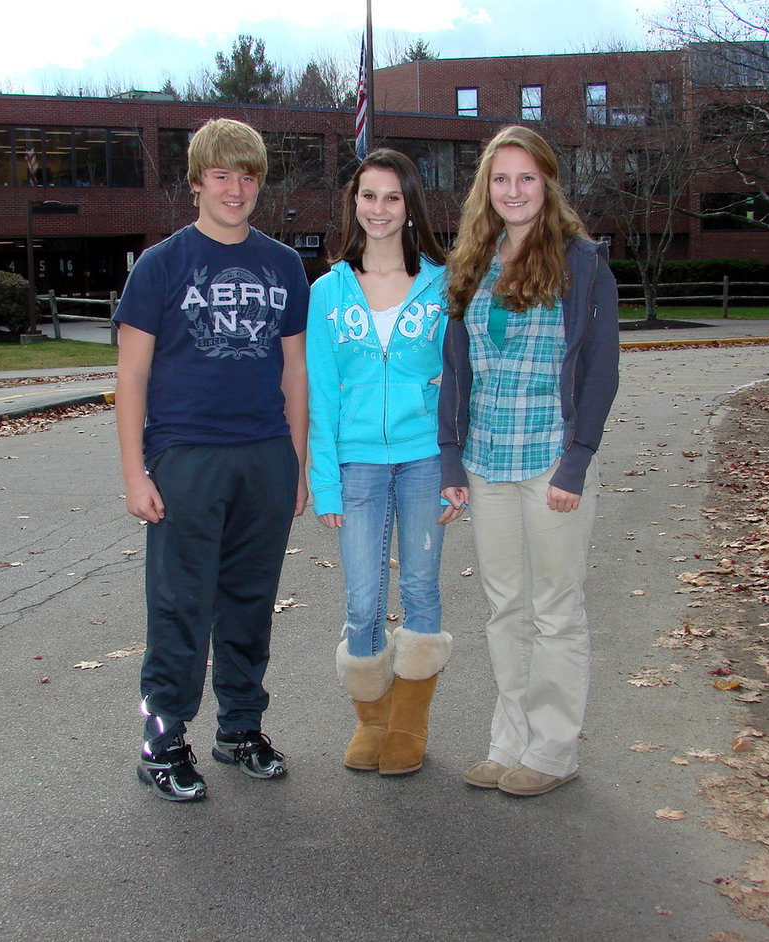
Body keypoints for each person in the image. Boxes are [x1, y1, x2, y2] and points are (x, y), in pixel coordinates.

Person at [114, 117, 309, 802]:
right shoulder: (161, 265)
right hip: (184, 456)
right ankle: (162, 744)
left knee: (250, 604)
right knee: (179, 607)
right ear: (196, 182)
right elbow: (131, 377)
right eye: (222, 174)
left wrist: (298, 462)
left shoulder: (284, 265)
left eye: (248, 174)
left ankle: (241, 730)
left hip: (263, 456)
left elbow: (293, 371)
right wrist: (136, 472)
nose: (236, 187)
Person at [439, 125, 619, 797]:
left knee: (555, 609)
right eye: (501, 179)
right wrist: (450, 460)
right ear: (488, 189)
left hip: (551, 462)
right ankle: (508, 739)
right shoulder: (473, 263)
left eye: (527, 178)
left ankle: (553, 749)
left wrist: (577, 461)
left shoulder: (583, 263)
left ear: (547, 184)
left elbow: (600, 372)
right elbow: (457, 371)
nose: (514, 191)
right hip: (486, 460)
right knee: (504, 607)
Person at [307, 149, 452, 775]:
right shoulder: (327, 292)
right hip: (358, 464)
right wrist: (326, 483)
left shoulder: (443, 286)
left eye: (393, 196)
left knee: (421, 587)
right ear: (354, 203)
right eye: (369, 195)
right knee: (363, 599)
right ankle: (373, 722)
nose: (380, 209)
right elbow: (320, 392)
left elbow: (459, 387)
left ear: (409, 206)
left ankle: (409, 727)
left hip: (424, 459)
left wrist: (456, 472)